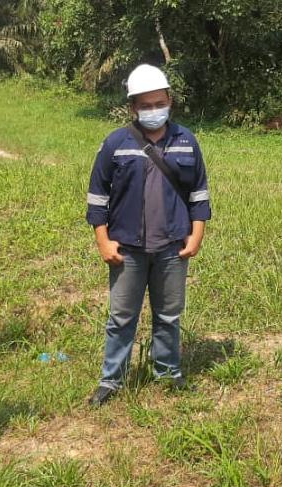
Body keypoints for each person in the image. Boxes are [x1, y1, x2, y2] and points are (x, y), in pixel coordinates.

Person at [85, 64, 212, 406]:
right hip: (127, 248)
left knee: (169, 315)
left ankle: (168, 373)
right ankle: (111, 380)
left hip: (172, 246)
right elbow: (97, 196)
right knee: (121, 317)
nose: (154, 110)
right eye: (146, 105)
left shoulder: (186, 141)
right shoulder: (115, 143)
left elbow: (199, 193)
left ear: (170, 101)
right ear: (133, 107)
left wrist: (196, 234)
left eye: (159, 103)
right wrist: (102, 239)